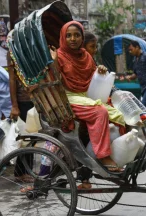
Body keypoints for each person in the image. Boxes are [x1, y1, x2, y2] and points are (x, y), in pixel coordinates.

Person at [49, 21, 124, 172]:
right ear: (63, 37)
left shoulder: (86, 56)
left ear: (82, 37)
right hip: (68, 98)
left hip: (87, 96)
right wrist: (54, 61)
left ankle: (120, 154)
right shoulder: (59, 56)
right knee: (100, 112)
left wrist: (100, 70)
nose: (73, 39)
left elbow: (93, 77)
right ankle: (103, 155)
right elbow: (53, 81)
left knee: (120, 114)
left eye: (77, 35)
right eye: (68, 35)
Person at [7, 18, 36, 184]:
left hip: (33, 99)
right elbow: (12, 79)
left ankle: (26, 170)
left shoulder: (30, 47)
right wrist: (14, 105)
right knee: (25, 137)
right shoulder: (13, 49)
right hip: (22, 100)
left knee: (31, 136)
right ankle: (20, 172)